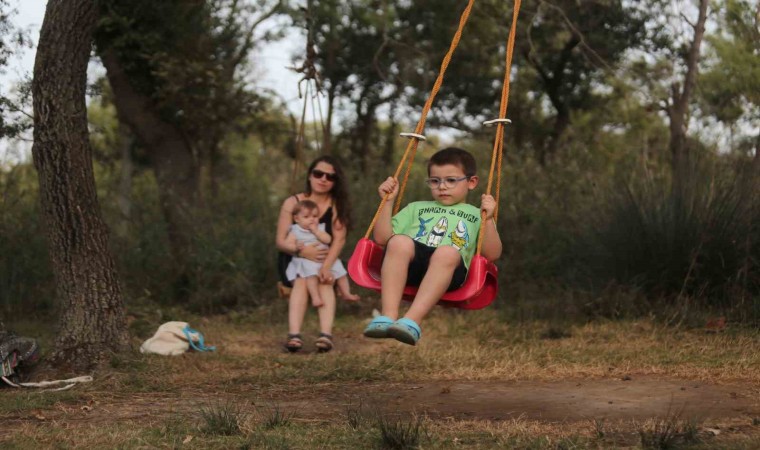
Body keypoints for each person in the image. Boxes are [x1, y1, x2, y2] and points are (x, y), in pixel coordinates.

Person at [363, 147, 502, 345]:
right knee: (399, 241)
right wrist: (387, 202)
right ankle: (388, 317)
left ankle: (411, 321)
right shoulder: (416, 208)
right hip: (412, 266)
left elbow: (492, 254)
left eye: (451, 180)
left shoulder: (477, 214)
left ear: (472, 182)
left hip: (449, 271)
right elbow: (383, 239)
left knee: (446, 252)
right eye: (435, 181)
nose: (442, 187)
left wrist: (488, 220)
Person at [275, 156, 357, 353]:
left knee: (325, 281)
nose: (323, 179)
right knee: (303, 282)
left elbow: (339, 240)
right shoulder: (293, 202)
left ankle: (325, 335)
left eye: (330, 177)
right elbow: (280, 241)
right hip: (295, 259)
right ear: (310, 175)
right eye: (318, 174)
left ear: (335, 182)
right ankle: (294, 335)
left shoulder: (336, 204)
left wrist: (326, 266)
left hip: (326, 259)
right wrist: (303, 251)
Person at [285, 199, 340, 308]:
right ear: (297, 219)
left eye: (315, 216)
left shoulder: (319, 228)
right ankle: (315, 297)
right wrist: (296, 247)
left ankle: (344, 291)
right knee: (310, 274)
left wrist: (316, 231)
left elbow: (328, 240)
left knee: (339, 268)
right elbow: (288, 244)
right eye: (306, 217)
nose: (311, 220)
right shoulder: (295, 231)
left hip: (323, 260)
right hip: (307, 260)